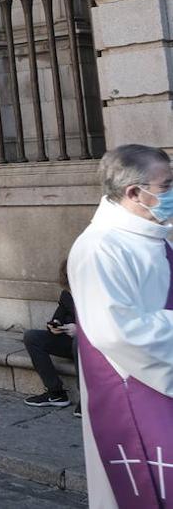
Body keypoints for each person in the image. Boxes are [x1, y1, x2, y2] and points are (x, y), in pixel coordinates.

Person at [68, 144, 173, 509]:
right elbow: (117, 330)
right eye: (167, 186)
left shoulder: (153, 233)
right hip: (136, 389)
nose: (172, 194)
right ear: (134, 192)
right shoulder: (100, 247)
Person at [22, 260, 78, 412]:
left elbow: (107, 325)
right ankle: (56, 393)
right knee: (31, 337)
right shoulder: (67, 293)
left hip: (91, 344)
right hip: (68, 343)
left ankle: (87, 399)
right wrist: (55, 324)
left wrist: (80, 330)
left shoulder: (98, 292)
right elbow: (58, 315)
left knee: (78, 341)